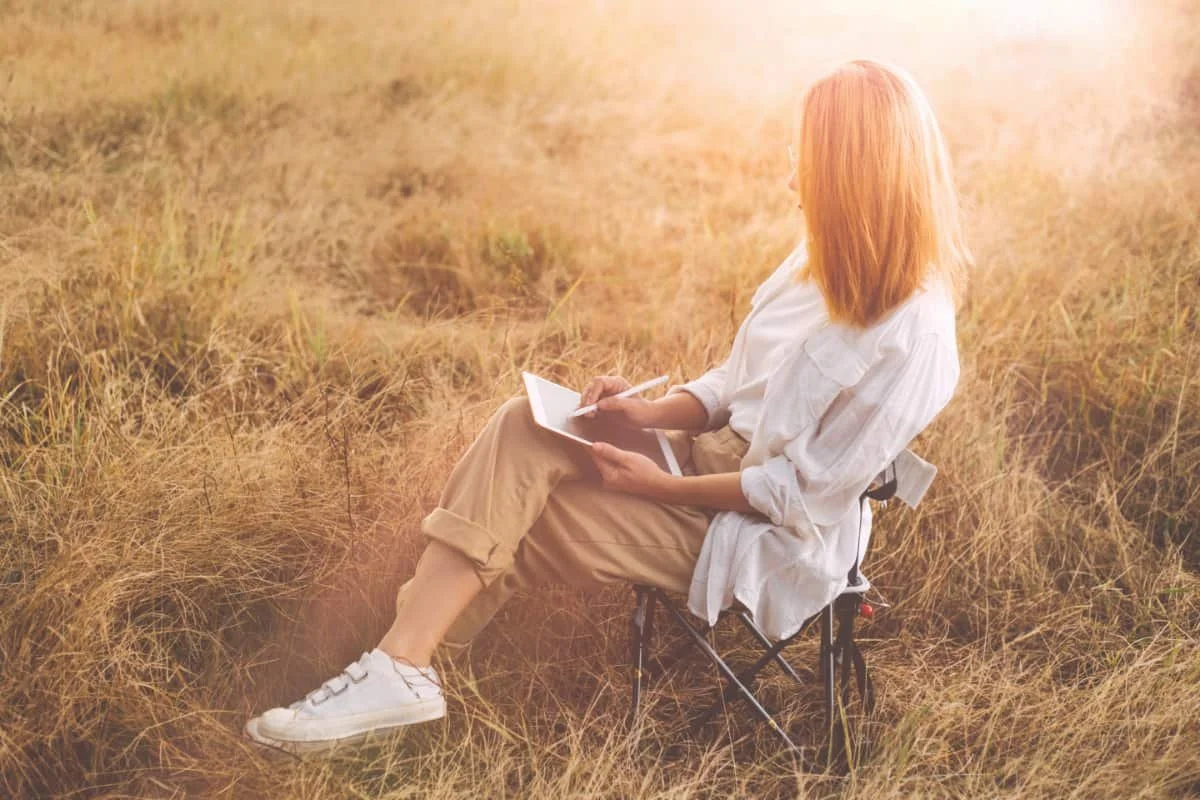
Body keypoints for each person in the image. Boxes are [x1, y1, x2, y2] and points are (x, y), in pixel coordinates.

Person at [244, 58, 970, 754]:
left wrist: (656, 486)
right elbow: (732, 386)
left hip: (755, 532)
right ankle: (400, 666)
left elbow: (797, 499)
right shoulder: (824, 259)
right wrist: (650, 416)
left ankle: (396, 670)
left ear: (854, 177)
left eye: (806, 166)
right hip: (703, 466)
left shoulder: (918, 335)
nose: (791, 181)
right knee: (522, 428)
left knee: (527, 509)